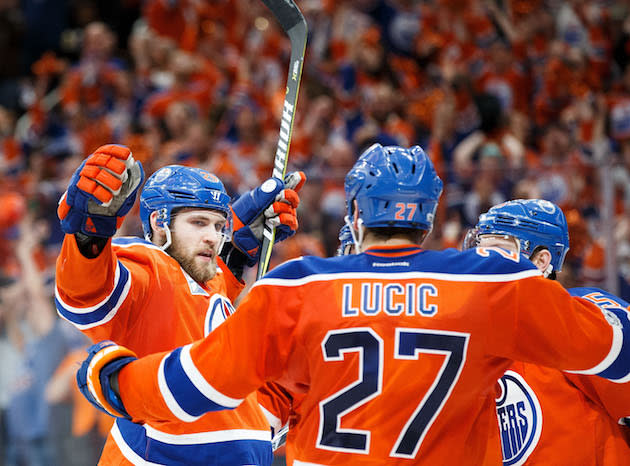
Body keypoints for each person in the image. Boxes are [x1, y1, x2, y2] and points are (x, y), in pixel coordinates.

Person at [76, 144, 630, 465]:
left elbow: (199, 384)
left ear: (357, 217)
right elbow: (614, 350)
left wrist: (116, 382)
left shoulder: (298, 285)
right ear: (429, 220)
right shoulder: (494, 287)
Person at [55, 144, 305, 465]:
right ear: (160, 223)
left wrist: (241, 246)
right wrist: (88, 234)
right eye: (198, 223)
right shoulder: (150, 268)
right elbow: (86, 289)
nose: (214, 237)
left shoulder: (209, 281)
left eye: (218, 226)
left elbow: (212, 290)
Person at [464, 199, 630, 465]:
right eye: (479, 251)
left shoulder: (587, 319)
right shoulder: (474, 334)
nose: (483, 263)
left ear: (541, 261)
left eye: (496, 251)